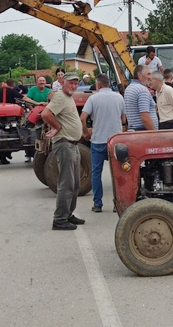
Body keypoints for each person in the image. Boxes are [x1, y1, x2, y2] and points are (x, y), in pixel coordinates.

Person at [41, 72, 86, 230]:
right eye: (71, 83)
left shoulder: (68, 97)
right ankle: (59, 219)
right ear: (63, 83)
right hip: (65, 143)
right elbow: (46, 114)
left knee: (74, 183)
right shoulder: (60, 97)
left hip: (72, 144)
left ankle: (68, 214)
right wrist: (57, 127)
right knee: (66, 183)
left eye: (76, 83)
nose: (74, 86)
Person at [80, 74, 126, 212]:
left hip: (98, 140)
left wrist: (86, 133)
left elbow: (83, 118)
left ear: (98, 85)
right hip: (115, 140)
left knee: (96, 172)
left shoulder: (93, 98)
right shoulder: (119, 97)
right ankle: (117, 203)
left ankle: (98, 203)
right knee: (117, 172)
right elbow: (123, 120)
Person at [0, 79, 23, 165]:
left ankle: (3, 157)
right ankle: (7, 153)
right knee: (13, 132)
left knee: (0, 135)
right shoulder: (12, 91)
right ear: (13, 84)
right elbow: (22, 98)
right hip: (11, 116)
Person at [124, 65, 158, 130]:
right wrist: (154, 133)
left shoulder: (129, 88)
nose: (150, 77)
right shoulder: (142, 90)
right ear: (139, 75)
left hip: (135, 131)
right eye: (148, 74)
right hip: (144, 132)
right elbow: (145, 117)